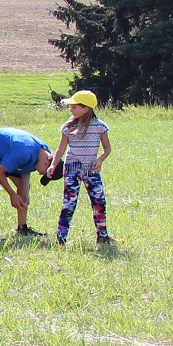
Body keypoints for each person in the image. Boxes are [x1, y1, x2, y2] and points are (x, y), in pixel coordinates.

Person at [53, 91, 113, 246]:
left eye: (74, 107)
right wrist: (54, 164)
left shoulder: (100, 127)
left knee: (99, 202)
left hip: (91, 170)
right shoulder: (68, 127)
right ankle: (61, 237)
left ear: (86, 109)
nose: (71, 109)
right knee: (69, 203)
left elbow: (107, 148)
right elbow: (61, 148)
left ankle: (103, 236)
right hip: (72, 169)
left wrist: (100, 159)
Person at [0, 127, 52, 241]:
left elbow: (26, 168)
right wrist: (12, 194)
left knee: (24, 187)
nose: (41, 174)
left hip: (7, 153)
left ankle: (22, 227)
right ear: (46, 164)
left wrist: (25, 192)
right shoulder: (24, 151)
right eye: (44, 173)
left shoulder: (44, 153)